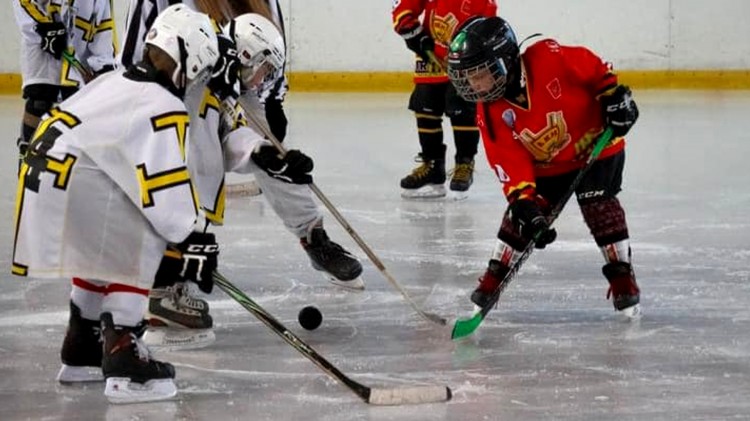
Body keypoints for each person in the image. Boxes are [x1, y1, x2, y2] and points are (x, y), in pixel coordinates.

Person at [118, 1, 363, 348]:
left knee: (237, 153)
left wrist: (265, 147)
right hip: (164, 97)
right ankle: (162, 280)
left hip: (224, 89)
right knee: (189, 166)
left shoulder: (238, 70)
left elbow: (232, 127)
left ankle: (312, 236)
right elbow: (134, 63)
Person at [12, 5, 220, 402]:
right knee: (142, 225)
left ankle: (82, 343)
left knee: (107, 227)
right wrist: (190, 239)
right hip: (70, 186)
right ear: (189, 61)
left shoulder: (115, 79)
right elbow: (164, 189)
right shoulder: (162, 103)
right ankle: (123, 348)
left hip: (43, 182)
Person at [446, 16, 641, 316]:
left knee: (598, 204)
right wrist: (524, 204)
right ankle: (491, 281)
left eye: (480, 74)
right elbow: (509, 161)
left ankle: (622, 278)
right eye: (468, 77)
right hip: (548, 165)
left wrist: (614, 97)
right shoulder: (490, 113)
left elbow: (594, 69)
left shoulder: (548, 57)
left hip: (595, 145)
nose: (474, 84)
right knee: (520, 219)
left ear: (506, 61)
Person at [391, 0, 497, 199]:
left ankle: (464, 163)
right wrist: (412, 31)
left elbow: (487, 19)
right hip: (429, 54)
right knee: (425, 106)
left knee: (462, 108)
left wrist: (476, 48)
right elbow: (403, 8)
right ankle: (433, 166)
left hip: (465, 58)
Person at [12, 0, 116, 166]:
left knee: (76, 105)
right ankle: (26, 158)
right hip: (41, 43)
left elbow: (103, 26)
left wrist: (103, 65)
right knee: (39, 98)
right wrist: (41, 27)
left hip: (78, 49)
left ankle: (70, 167)